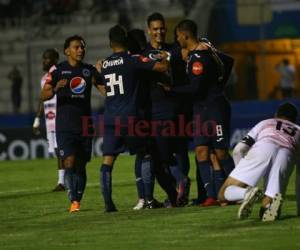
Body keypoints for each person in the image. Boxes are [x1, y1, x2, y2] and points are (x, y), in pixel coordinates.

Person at [98, 24, 174, 212]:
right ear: (126, 41)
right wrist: (168, 57)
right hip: (131, 117)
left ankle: (108, 204)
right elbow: (161, 67)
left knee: (108, 160)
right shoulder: (132, 59)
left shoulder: (104, 64)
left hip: (109, 118)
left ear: (110, 43)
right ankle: (147, 199)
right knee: (145, 154)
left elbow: (98, 80)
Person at [165, 19, 235, 206]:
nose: (177, 39)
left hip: (214, 108)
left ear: (185, 35)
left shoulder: (198, 56)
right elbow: (228, 61)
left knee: (221, 153)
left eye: (178, 35)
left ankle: (237, 191)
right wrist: (219, 82)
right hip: (200, 109)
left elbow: (195, 88)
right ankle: (211, 196)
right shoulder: (204, 50)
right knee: (201, 151)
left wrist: (171, 89)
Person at [40, 35, 103, 213]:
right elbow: (43, 95)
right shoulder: (58, 71)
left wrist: (103, 74)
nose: (81, 50)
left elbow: (105, 89)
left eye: (82, 47)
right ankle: (73, 199)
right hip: (64, 126)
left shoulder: (88, 70)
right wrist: (54, 89)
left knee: (81, 165)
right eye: (76, 47)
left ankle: (78, 197)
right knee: (69, 161)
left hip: (84, 124)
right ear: (67, 51)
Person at [218, 102, 300, 221]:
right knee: (266, 213)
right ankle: (269, 204)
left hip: (265, 146)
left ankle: (247, 193)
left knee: (224, 193)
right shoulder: (298, 130)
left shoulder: (266, 122)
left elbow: (238, 150)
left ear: (276, 115)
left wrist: (245, 180)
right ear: (295, 119)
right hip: (287, 154)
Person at [142, 12, 190, 207]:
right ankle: (180, 192)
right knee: (174, 153)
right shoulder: (144, 54)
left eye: (161, 28)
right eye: (155, 29)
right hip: (158, 110)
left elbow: (188, 55)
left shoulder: (175, 49)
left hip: (171, 111)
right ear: (149, 30)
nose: (159, 32)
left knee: (173, 153)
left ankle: (179, 183)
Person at [33, 48, 65, 192]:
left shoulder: (58, 74)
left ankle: (62, 182)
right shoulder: (44, 78)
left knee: (60, 150)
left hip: (60, 118)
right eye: (43, 58)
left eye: (47, 58)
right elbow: (42, 99)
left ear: (55, 60)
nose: (44, 61)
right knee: (56, 150)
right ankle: (64, 179)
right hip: (49, 119)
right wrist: (37, 119)